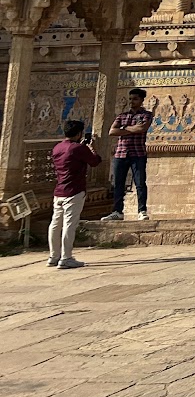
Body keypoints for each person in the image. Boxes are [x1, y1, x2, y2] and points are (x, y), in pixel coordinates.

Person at [48, 120, 101, 268]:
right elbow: (95, 161)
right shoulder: (78, 148)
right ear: (79, 134)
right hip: (74, 190)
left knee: (55, 224)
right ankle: (66, 257)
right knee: (69, 225)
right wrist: (92, 148)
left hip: (59, 190)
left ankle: (53, 256)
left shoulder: (57, 147)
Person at [104, 88, 153, 221]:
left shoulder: (146, 115)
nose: (132, 101)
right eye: (130, 99)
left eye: (135, 99)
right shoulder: (122, 116)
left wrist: (123, 129)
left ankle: (142, 210)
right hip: (121, 153)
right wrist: (131, 129)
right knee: (118, 183)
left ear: (141, 100)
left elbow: (142, 128)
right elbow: (112, 131)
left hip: (138, 153)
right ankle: (117, 211)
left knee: (140, 183)